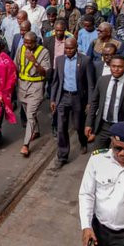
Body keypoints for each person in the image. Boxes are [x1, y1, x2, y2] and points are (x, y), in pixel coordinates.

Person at [50, 37, 95, 169]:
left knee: (78, 126)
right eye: (66, 48)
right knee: (61, 127)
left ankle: (83, 141)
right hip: (63, 97)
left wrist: (90, 102)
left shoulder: (85, 61)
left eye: (71, 48)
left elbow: (90, 84)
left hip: (78, 98)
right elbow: (55, 82)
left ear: (76, 48)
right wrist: (53, 99)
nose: (69, 51)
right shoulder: (59, 60)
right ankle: (62, 155)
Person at [86, 56, 124, 151]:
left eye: (120, 67)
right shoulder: (102, 80)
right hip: (103, 126)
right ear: (110, 66)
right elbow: (94, 104)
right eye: (113, 66)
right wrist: (88, 124)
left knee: (119, 156)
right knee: (97, 154)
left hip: (122, 127)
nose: (116, 69)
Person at [15, 32, 50, 157]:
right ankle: (36, 131)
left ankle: (25, 145)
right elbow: (16, 66)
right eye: (25, 42)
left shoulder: (44, 52)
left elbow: (45, 73)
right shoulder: (21, 49)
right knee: (27, 111)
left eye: (30, 43)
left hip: (36, 87)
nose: (27, 45)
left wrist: (34, 61)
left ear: (35, 42)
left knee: (30, 114)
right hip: (22, 86)